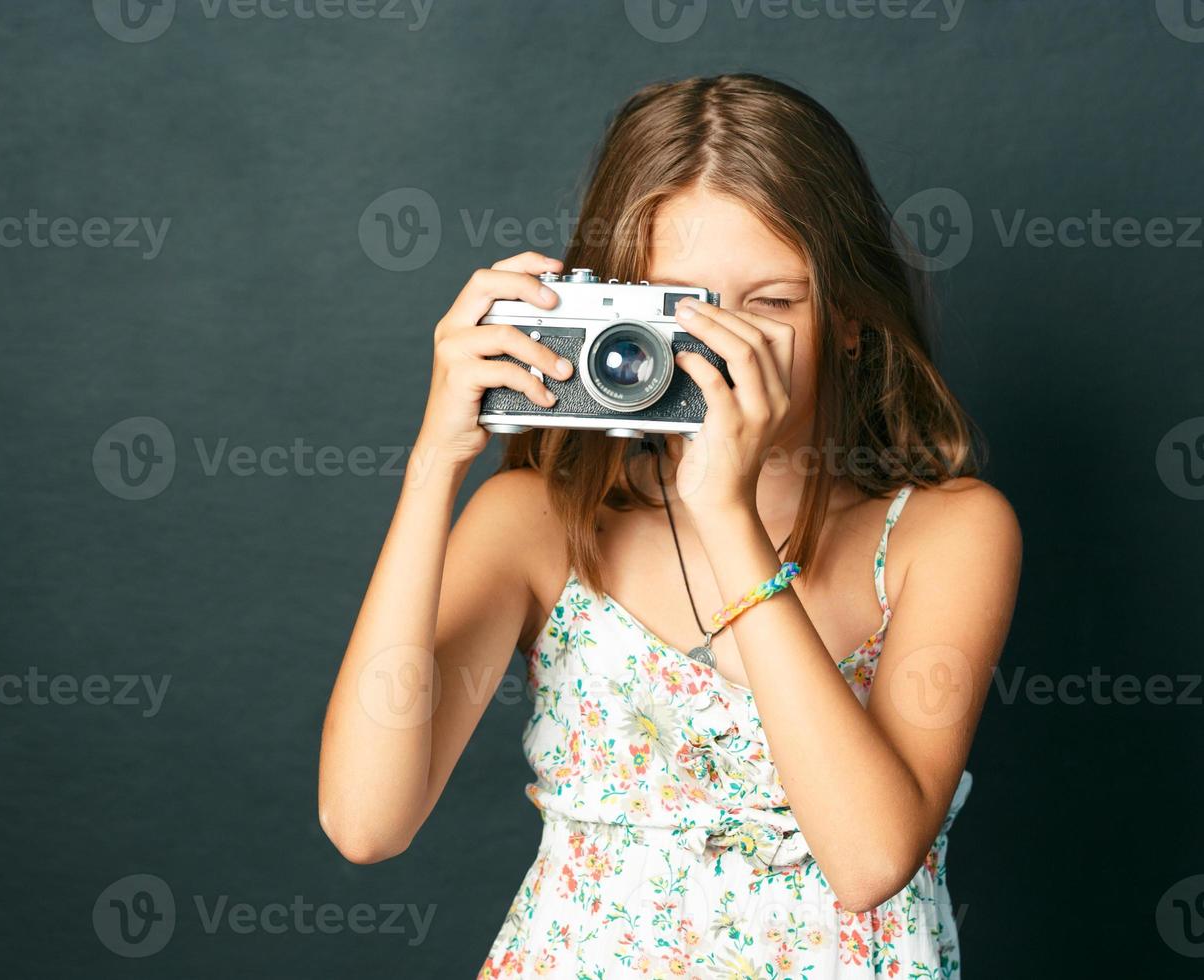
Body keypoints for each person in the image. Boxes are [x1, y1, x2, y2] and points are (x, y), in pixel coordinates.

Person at [319, 73, 1022, 978]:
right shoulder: (539, 524)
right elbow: (364, 823)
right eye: (680, 309)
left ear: (850, 321)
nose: (725, 345)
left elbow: (869, 860)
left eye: (773, 302)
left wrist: (722, 511)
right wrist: (433, 463)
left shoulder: (946, 535)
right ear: (614, 319)